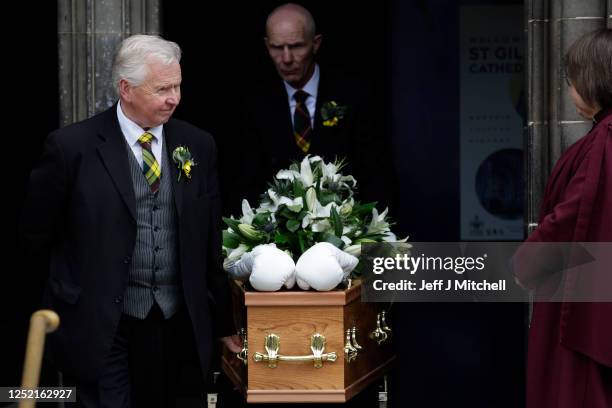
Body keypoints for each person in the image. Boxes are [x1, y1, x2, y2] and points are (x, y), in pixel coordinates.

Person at [20, 34, 241, 407]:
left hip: (178, 322)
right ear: (126, 88)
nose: (175, 98)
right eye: (163, 89)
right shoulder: (71, 148)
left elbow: (209, 242)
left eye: (178, 85)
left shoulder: (198, 144)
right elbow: (35, 238)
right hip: (103, 325)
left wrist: (222, 325)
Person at [514, 28, 612, 407]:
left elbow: (571, 218)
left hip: (582, 303)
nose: (569, 92)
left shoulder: (603, 141)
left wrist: (525, 263)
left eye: (572, 82)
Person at [224, 3, 396, 216]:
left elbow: (374, 173)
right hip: (276, 234)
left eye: (296, 46)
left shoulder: (353, 95)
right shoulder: (255, 103)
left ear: (315, 44)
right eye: (277, 48)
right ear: (267, 46)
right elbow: (245, 182)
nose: (286, 59)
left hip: (346, 227)